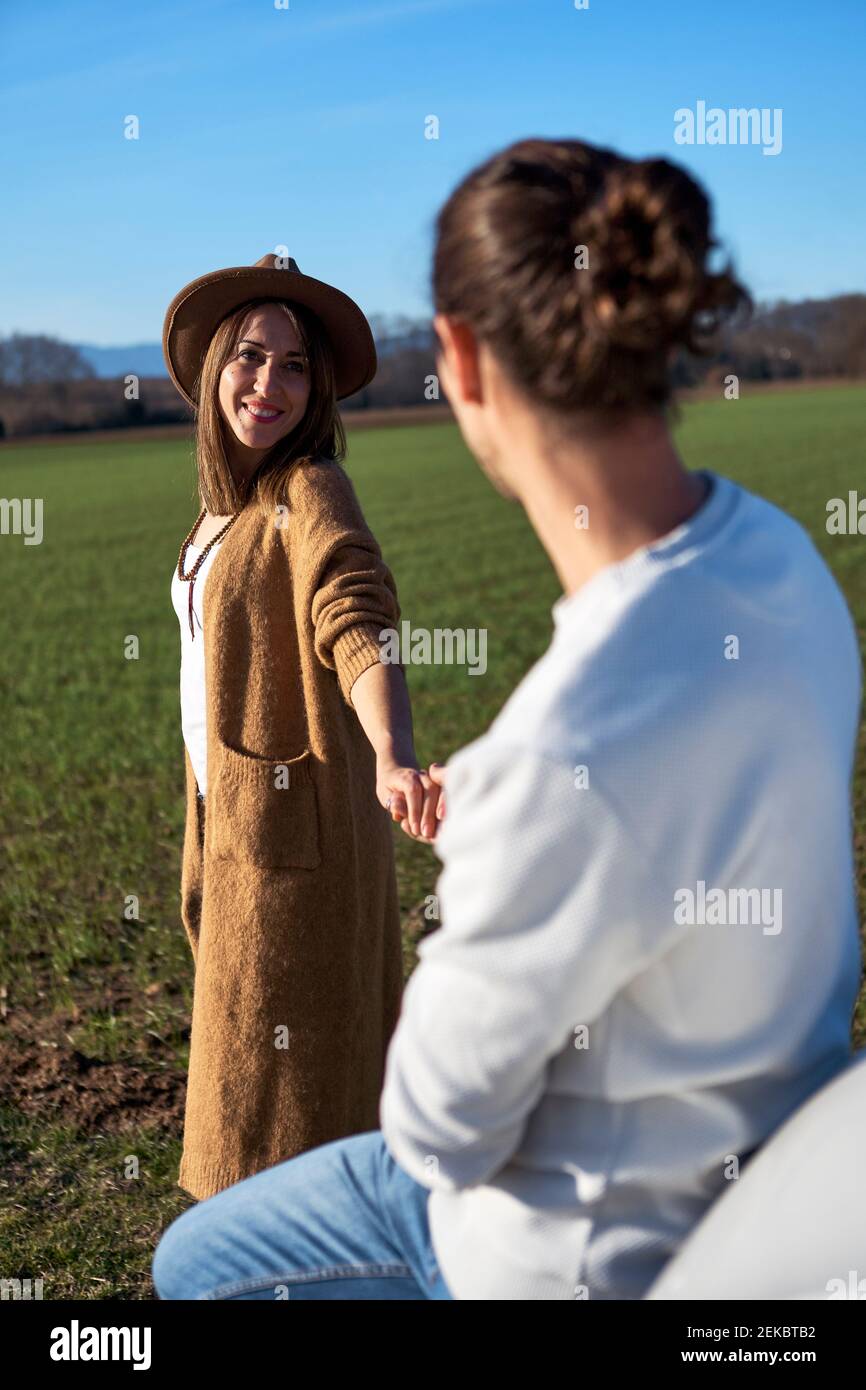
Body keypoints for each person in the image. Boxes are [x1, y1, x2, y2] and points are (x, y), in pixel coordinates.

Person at [152, 141, 862, 1300]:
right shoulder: (783, 565)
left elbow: (437, 1132)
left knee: (192, 1264)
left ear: (462, 362)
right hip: (755, 1169)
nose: (269, 383)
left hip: (549, 1249)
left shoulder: (557, 754)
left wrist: (484, 839)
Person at [163, 252, 441, 1202]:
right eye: (249, 357)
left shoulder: (306, 488)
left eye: (292, 366)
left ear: (317, 390)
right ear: (213, 372)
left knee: (287, 1103)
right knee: (258, 1077)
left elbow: (350, 611)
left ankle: (294, 1258)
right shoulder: (224, 511)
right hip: (230, 821)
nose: (269, 383)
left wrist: (393, 751)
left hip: (297, 839)